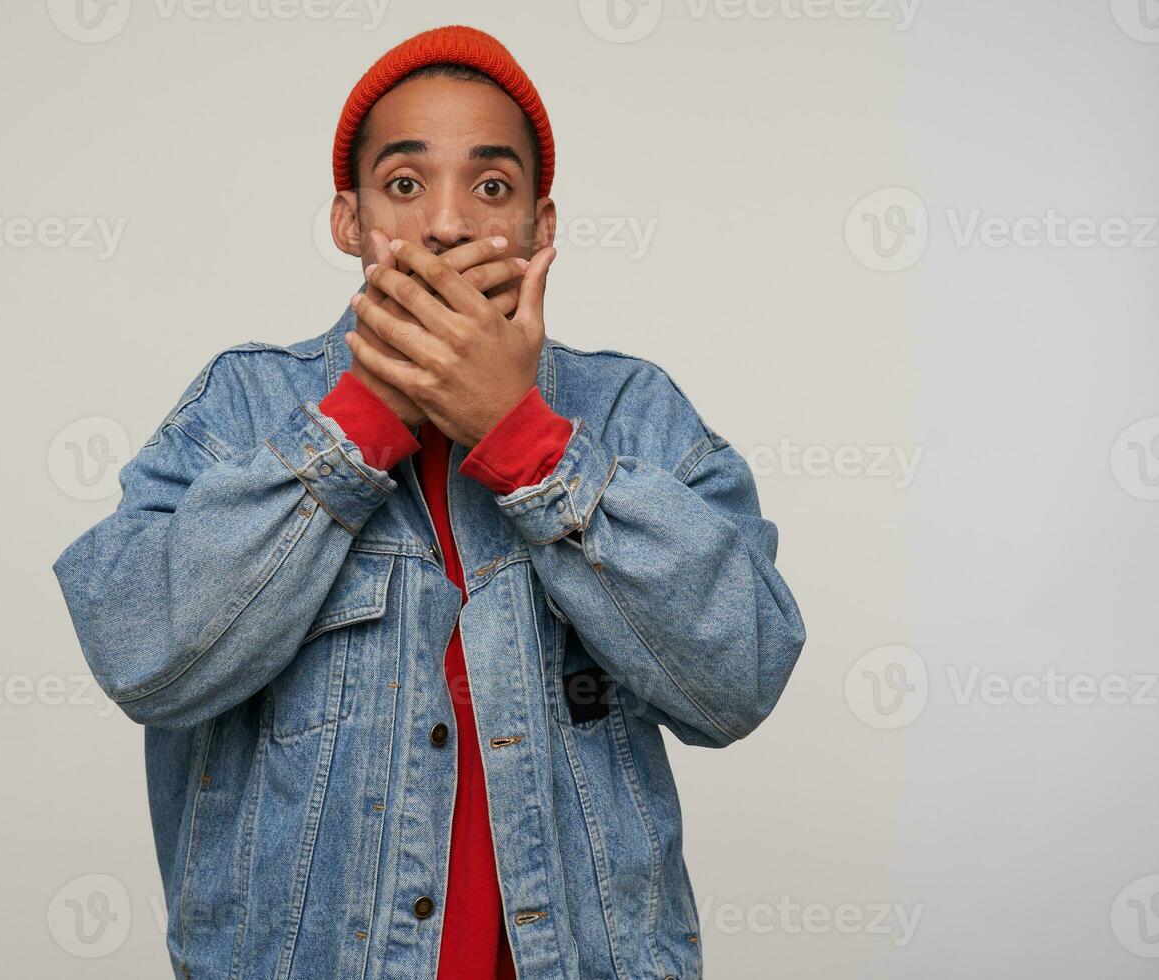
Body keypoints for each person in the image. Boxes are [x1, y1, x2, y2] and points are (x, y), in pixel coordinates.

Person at [53, 24, 806, 980]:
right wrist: (362, 420)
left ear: (543, 225)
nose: (447, 226)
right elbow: (142, 657)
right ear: (350, 221)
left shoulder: (635, 414)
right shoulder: (241, 408)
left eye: (492, 187)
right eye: (404, 185)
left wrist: (527, 443)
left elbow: (737, 679)